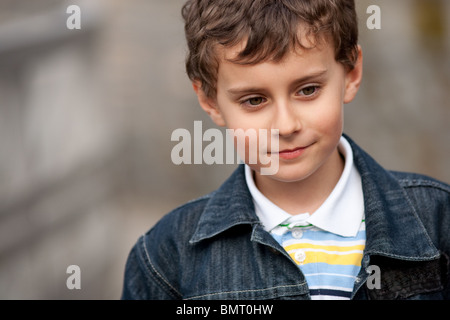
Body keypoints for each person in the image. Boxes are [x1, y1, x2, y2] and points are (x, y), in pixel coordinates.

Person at [121, 0, 450, 300]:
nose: (286, 125)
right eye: (254, 100)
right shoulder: (166, 257)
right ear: (210, 100)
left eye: (308, 90)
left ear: (351, 73)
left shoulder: (439, 221)